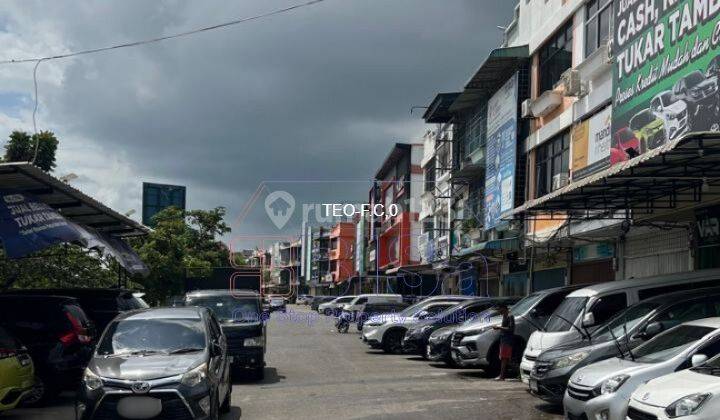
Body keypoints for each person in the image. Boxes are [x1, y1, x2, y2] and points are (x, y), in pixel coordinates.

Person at [492, 304, 515, 381]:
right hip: (503, 339)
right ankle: (503, 375)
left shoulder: (510, 316)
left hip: (507, 340)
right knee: (504, 358)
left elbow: (511, 329)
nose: (499, 311)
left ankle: (502, 376)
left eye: (499, 309)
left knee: (504, 358)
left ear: (504, 308)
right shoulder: (504, 316)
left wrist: (499, 327)